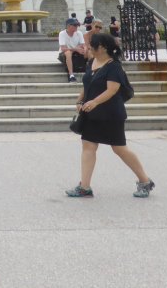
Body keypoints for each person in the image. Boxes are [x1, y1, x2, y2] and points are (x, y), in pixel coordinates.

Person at [66, 33, 155, 199]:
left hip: (111, 114)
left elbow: (112, 90)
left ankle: (145, 181)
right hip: (92, 113)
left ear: (103, 47)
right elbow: (88, 84)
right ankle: (84, 187)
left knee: (119, 148)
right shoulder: (92, 62)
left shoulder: (114, 66)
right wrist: (79, 101)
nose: (89, 47)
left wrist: (95, 102)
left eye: (93, 45)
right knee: (88, 146)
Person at [57, 18, 88, 83]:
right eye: (75, 25)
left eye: (77, 25)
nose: (76, 27)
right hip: (64, 54)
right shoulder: (62, 33)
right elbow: (63, 48)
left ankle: (91, 71)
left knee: (89, 52)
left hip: (75, 52)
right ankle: (71, 75)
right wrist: (76, 49)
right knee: (68, 53)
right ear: (68, 26)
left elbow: (83, 45)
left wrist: (85, 49)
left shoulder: (79, 33)